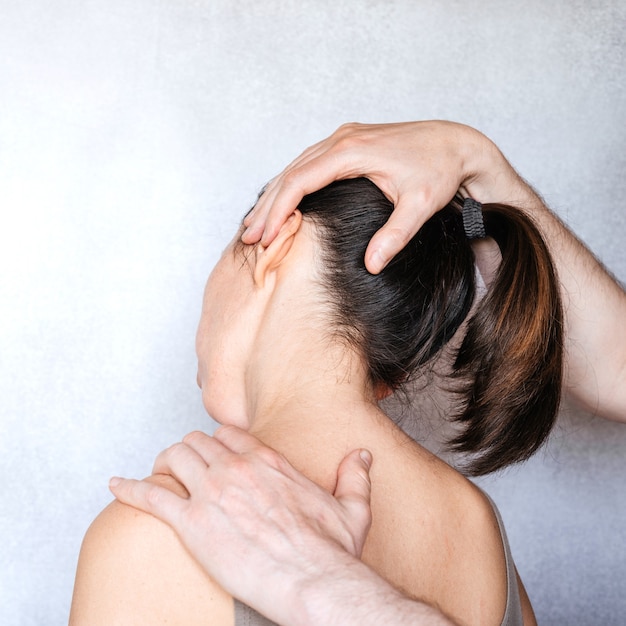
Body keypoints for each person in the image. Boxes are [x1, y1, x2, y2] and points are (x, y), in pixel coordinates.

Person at [103, 121, 626, 625]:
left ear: (273, 244)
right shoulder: (477, 529)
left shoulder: (158, 532)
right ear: (394, 370)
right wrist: (477, 156)